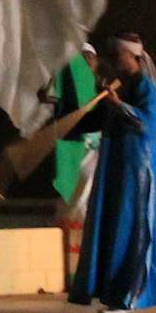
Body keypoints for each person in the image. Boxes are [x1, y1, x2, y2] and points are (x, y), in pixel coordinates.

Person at [67, 32, 156, 313]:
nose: (114, 59)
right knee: (113, 226)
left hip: (137, 165)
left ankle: (129, 298)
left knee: (132, 227)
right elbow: (103, 120)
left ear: (132, 55)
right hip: (117, 164)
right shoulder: (121, 84)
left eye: (118, 54)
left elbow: (150, 122)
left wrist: (119, 105)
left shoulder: (144, 85)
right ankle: (113, 294)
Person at [40, 43, 102, 284]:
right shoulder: (74, 81)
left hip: (83, 148)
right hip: (77, 148)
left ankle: (79, 272)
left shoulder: (81, 82)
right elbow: (48, 96)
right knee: (76, 204)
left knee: (78, 203)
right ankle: (77, 273)